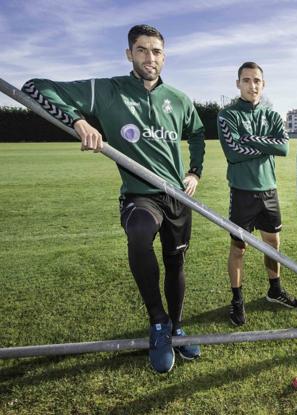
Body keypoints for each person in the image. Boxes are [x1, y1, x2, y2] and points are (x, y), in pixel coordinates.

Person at [22, 24, 206, 374]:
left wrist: (195, 171)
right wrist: (77, 121)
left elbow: (197, 132)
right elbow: (35, 88)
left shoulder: (180, 99)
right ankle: (158, 324)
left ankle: (177, 326)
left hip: (176, 197)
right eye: (141, 50)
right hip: (140, 194)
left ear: (164, 56)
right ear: (129, 54)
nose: (149, 58)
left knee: (176, 263)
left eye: (156, 51)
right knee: (139, 233)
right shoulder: (107, 91)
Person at [217, 62, 297, 327]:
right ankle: (237, 300)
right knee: (238, 249)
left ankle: (275, 290)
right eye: (246, 80)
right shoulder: (227, 115)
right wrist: (267, 146)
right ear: (238, 83)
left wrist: (248, 139)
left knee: (273, 245)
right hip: (242, 192)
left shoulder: (272, 115)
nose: (252, 85)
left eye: (257, 81)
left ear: (263, 84)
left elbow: (284, 148)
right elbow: (233, 152)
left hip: (269, 190)